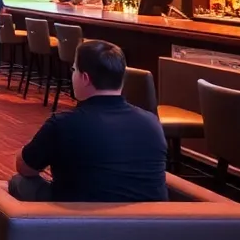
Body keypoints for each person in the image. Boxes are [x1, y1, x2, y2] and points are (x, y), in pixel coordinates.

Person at [9, 40, 168, 203]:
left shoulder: (63, 124)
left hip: (82, 223)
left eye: (74, 70)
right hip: (151, 225)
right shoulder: (152, 122)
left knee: (20, 183)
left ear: (84, 78)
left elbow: (25, 168)